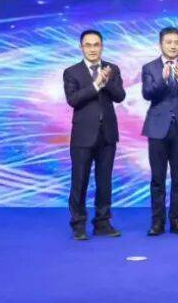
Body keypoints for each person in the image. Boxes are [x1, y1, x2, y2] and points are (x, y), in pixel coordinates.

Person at [63, 29, 126, 240]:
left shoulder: (112, 69)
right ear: (81, 47)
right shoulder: (71, 72)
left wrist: (106, 82)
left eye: (96, 44)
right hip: (83, 135)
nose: (92, 49)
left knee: (104, 181)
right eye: (88, 45)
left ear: (102, 46)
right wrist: (96, 84)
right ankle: (78, 224)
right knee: (79, 181)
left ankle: (102, 223)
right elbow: (73, 100)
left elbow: (120, 96)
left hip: (107, 134)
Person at [141, 26, 178, 236]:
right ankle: (157, 222)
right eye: (169, 42)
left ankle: (177, 220)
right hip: (157, 128)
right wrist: (163, 79)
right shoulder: (150, 67)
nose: (173, 46)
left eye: (177, 42)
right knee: (157, 178)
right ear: (161, 44)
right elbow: (147, 94)